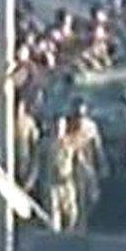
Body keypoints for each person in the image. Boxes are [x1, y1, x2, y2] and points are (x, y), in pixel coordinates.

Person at [66, 97, 109, 232]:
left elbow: (97, 147)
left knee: (91, 197)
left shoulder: (91, 127)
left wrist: (102, 164)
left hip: (88, 167)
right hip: (71, 168)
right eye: (76, 115)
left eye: (81, 115)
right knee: (75, 199)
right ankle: (77, 227)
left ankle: (83, 222)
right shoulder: (67, 127)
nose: (79, 118)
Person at [47, 117, 79, 232]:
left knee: (72, 211)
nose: (58, 130)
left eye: (60, 127)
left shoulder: (70, 144)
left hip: (67, 180)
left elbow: (78, 161)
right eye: (56, 127)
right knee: (54, 210)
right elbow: (36, 164)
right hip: (52, 182)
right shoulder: (45, 145)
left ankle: (69, 231)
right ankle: (55, 233)